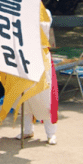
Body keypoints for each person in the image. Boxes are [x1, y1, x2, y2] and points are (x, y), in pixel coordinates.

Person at [15, 9, 58, 145]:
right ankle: (27, 129)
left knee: (44, 96)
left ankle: (51, 133)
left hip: (40, 57)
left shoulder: (44, 12)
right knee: (24, 97)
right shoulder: (20, 10)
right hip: (24, 57)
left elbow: (43, 28)